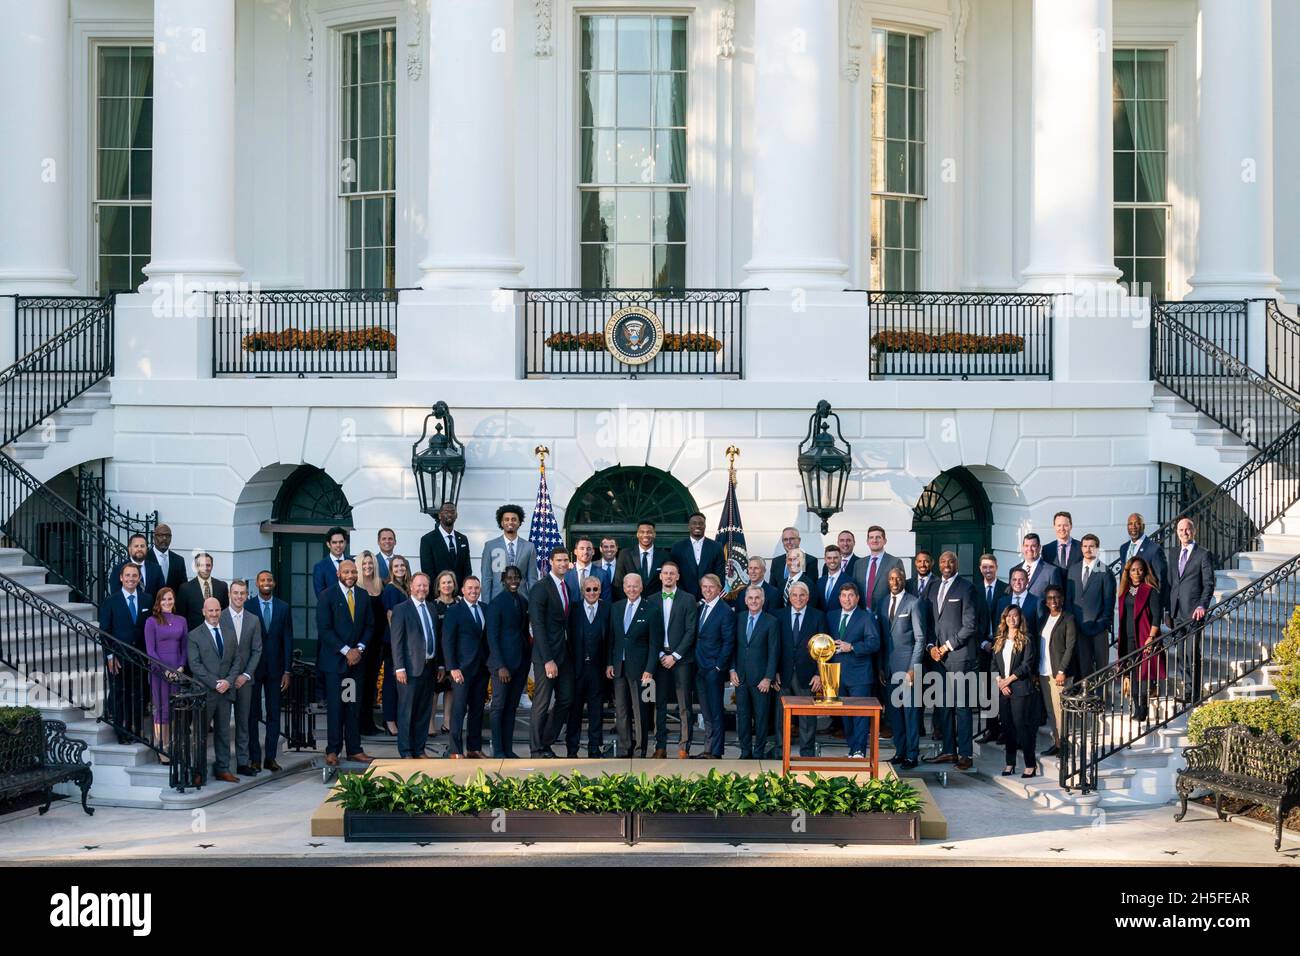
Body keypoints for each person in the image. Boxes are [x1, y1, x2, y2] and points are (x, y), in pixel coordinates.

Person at [315, 559, 375, 768]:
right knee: (336, 708)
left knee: (352, 706)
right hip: (335, 664)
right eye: (346, 571)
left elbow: (369, 625)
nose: (350, 575)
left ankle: (354, 749)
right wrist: (345, 650)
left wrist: (358, 649)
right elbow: (324, 629)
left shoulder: (362, 595)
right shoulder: (326, 596)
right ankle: (332, 750)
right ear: (338, 573)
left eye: (353, 571)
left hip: (356, 664)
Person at [922, 552, 978, 770]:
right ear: (939, 564)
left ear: (957, 564)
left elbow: (970, 625)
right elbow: (927, 622)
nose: (947, 564)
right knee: (943, 706)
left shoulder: (966, 588)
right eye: (943, 561)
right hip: (938, 658)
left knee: (962, 707)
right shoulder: (933, 587)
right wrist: (930, 647)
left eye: (951, 561)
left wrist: (946, 646)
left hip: (959, 656)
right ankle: (948, 751)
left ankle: (965, 754)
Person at [390, 572, 444, 759]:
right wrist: (399, 668)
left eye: (425, 586)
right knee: (407, 712)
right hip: (409, 670)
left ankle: (419, 749)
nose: (422, 589)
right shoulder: (401, 609)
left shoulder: (431, 608)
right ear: (411, 587)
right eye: (419, 585)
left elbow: (436, 638)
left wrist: (440, 666)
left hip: (429, 668)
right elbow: (396, 641)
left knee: (423, 711)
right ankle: (406, 751)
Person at [647, 561, 698, 758]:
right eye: (665, 573)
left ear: (677, 577)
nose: (668, 576)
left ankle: (684, 746)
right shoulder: (650, 600)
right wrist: (661, 654)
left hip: (682, 660)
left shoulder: (688, 599)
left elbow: (690, 630)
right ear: (660, 576)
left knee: (684, 704)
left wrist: (675, 656)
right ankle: (660, 746)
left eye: (672, 573)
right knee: (658, 703)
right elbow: (650, 631)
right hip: (659, 658)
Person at [529, 547, 575, 758]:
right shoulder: (541, 588)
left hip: (565, 654)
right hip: (546, 656)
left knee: (566, 698)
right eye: (559, 560)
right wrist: (548, 659)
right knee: (542, 701)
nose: (563, 564)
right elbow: (537, 626)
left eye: (566, 560)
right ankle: (536, 748)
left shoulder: (567, 587)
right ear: (550, 562)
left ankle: (546, 742)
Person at [826, 582, 881, 758]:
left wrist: (853, 647)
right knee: (845, 715)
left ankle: (859, 750)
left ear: (857, 598)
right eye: (844, 595)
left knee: (860, 715)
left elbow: (874, 643)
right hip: (836, 675)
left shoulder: (866, 617)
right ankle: (852, 748)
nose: (847, 599)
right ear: (839, 598)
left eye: (851, 595)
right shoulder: (832, 616)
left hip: (859, 675)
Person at [188, 597, 240, 784]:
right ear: (204, 612)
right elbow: (195, 665)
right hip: (205, 693)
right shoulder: (194, 635)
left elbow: (237, 661)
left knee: (223, 732)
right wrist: (215, 683)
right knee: (200, 734)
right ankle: (198, 771)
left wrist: (228, 681)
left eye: (217, 610)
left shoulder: (229, 633)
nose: (214, 614)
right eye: (210, 611)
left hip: (225, 693)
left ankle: (223, 769)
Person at [99, 563, 152, 743]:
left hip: (140, 657)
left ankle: (136, 729)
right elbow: (104, 631)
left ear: (139, 578)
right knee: (120, 694)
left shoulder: (147, 600)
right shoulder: (111, 601)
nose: (131, 579)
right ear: (121, 578)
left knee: (139, 695)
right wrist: (109, 656)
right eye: (127, 575)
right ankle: (121, 731)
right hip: (119, 658)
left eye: (134, 576)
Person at [877, 568, 925, 768]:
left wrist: (913, 669)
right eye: (891, 578)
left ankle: (912, 755)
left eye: (898, 578)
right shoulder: (883, 602)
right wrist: (880, 667)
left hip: (907, 670)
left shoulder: (914, 602)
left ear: (904, 580)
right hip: (888, 669)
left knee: (910, 714)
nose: (894, 581)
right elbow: (882, 638)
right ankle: (900, 751)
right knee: (895, 715)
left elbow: (920, 639)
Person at [1166, 516, 1215, 703]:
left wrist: (1202, 605)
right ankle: (1186, 690)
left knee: (1192, 652)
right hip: (1176, 612)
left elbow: (1209, 583)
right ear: (1177, 533)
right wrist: (1167, 611)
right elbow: (1170, 582)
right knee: (1180, 652)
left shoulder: (1203, 554)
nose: (1184, 533)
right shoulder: (1172, 553)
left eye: (1187, 529)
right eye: (1180, 530)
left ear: (1194, 531)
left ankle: (1194, 693)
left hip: (1194, 612)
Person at [607, 572, 656, 757]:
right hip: (619, 667)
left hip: (641, 670)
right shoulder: (616, 607)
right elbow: (612, 639)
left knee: (640, 709)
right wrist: (609, 663)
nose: (632, 589)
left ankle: (640, 748)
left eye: (636, 586)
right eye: (628, 586)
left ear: (641, 587)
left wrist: (649, 669)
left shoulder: (651, 609)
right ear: (624, 587)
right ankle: (625, 747)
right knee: (621, 709)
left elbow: (654, 643)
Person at [776, 580, 825, 759]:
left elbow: (823, 649)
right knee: (781, 716)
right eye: (795, 595)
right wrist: (774, 672)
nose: (798, 598)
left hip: (808, 674)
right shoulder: (778, 615)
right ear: (789, 597)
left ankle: (807, 752)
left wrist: (819, 674)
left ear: (808, 597)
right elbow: (774, 647)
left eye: (802, 595)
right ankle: (781, 751)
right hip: (783, 673)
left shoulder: (818, 616)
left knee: (807, 716)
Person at [442, 575, 490, 758]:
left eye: (476, 588)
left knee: (477, 710)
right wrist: (452, 667)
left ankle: (473, 748)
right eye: (470, 588)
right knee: (459, 709)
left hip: (481, 668)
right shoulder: (454, 611)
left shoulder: (485, 609)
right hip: (461, 669)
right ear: (462, 590)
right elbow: (447, 641)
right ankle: (455, 750)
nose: (473, 591)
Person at [486, 566, 531, 758]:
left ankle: (508, 748)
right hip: (502, 665)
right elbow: (492, 637)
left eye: (517, 577)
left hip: (520, 663)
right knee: (499, 706)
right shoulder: (497, 603)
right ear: (503, 580)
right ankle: (498, 750)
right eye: (510, 578)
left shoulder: (522, 600)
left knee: (512, 707)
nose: (514, 581)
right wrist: (500, 665)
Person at [250, 570, 292, 772]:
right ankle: (254, 758)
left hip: (276, 670)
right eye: (262, 580)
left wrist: (287, 670)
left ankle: (270, 758)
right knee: (253, 714)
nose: (266, 583)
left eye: (269, 579)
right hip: (253, 669)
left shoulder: (283, 607)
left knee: (274, 714)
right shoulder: (248, 606)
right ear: (257, 583)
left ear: (274, 583)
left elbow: (288, 639)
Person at [991, 605, 1040, 778]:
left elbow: (1026, 665)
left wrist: (1008, 680)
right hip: (1003, 690)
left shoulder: (1026, 639)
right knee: (1007, 727)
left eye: (1015, 616)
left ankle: (1030, 764)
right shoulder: (999, 640)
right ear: (1004, 619)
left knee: (1021, 726)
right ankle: (1010, 763)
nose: (1012, 619)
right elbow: (994, 665)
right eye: (1008, 616)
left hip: (1020, 688)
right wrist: (1000, 683)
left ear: (1020, 618)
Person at [731, 585, 779, 760]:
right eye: (750, 598)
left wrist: (768, 677)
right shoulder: (739, 619)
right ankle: (745, 751)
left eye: (757, 598)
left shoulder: (771, 621)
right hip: (741, 678)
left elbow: (774, 652)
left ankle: (758, 751)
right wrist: (731, 670)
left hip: (761, 680)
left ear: (763, 600)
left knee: (761, 718)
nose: (753, 601)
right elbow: (733, 647)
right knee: (742, 717)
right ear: (745, 600)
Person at [221, 579, 263, 776]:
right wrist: (228, 678)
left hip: (245, 680)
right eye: (235, 593)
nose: (238, 596)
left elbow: (257, 650)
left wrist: (245, 675)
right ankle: (221, 764)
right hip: (224, 680)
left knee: (243, 722)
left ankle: (243, 762)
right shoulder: (219, 617)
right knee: (222, 724)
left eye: (242, 593)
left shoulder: (253, 619)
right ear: (230, 594)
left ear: (247, 595)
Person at [693, 573, 737, 759]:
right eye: (704, 587)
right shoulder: (700, 607)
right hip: (699, 667)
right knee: (706, 711)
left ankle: (716, 751)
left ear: (719, 589)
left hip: (713, 669)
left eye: (711, 587)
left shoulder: (725, 611)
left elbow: (729, 642)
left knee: (716, 711)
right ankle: (708, 748)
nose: (708, 590)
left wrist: (719, 666)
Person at [566, 573, 610, 757]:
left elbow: (612, 639)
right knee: (574, 711)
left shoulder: (608, 609)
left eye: (595, 589)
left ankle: (594, 747)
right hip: (577, 669)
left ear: (600, 591)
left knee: (596, 711)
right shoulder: (573, 610)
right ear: (582, 591)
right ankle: (572, 748)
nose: (592, 593)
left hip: (598, 669)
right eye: (588, 589)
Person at [1117, 556, 1165, 720]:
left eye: (1140, 569)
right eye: (1133, 570)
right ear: (1128, 573)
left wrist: (1151, 637)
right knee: (1132, 674)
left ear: (1144, 571)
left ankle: (1142, 709)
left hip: (1145, 637)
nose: (1137, 572)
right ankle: (1136, 707)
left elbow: (1157, 617)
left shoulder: (1150, 590)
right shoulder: (1125, 591)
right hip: (1128, 638)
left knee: (1143, 674)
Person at [143, 586, 186, 760]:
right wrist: (165, 670)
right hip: (159, 670)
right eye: (164, 599)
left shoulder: (181, 620)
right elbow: (150, 650)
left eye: (170, 599)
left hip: (177, 669)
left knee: (173, 708)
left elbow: (184, 647)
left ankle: (171, 743)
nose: (167, 602)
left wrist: (181, 667)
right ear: (158, 602)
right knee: (161, 708)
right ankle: (162, 747)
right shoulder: (151, 621)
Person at [1037, 584, 1078, 757]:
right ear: (1046, 602)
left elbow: (1070, 646)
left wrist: (1062, 670)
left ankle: (1066, 746)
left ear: (1061, 599)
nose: (1053, 601)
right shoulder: (1044, 619)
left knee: (1062, 712)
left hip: (1059, 673)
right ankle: (1057, 743)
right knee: (1051, 711)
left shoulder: (1068, 618)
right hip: (1044, 672)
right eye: (1050, 598)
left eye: (1056, 597)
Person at [1067, 534, 1115, 677]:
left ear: (1097, 549)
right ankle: (1086, 697)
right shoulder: (1073, 570)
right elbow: (1069, 599)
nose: (1088, 549)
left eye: (1091, 546)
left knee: (1101, 668)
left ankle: (1102, 698)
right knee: (1084, 666)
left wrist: (1102, 623)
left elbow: (1109, 602)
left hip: (1098, 628)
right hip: (1079, 628)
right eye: (1085, 546)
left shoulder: (1105, 571)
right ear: (1081, 548)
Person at [973, 553, 1007, 743]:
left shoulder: (1005, 588)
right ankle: (991, 729)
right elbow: (972, 620)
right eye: (984, 567)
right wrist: (983, 643)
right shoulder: (974, 590)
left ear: (996, 567)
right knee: (986, 691)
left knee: (1002, 689)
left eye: (991, 567)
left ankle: (1004, 729)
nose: (988, 570)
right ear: (980, 569)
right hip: (982, 648)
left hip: (1003, 647)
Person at [353, 551, 387, 736]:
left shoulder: (379, 585)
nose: (368, 566)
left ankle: (368, 723)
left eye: (370, 563)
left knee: (371, 683)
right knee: (359, 683)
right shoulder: (356, 587)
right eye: (364, 563)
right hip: (360, 643)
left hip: (377, 642)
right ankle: (356, 724)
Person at [481, 504, 538, 604]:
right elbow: (486, 578)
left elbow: (532, 579)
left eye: (514, 519)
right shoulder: (490, 546)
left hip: (522, 601)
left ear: (519, 522)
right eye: (506, 519)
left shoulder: (529, 547)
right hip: (497, 600)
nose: (510, 522)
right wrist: (486, 605)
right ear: (501, 523)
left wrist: (533, 605)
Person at [429, 570, 461, 737]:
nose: (447, 585)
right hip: (437, 654)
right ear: (438, 586)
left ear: (454, 585)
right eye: (444, 583)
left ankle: (447, 722)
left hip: (456, 654)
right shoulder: (433, 606)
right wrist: (441, 662)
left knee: (450, 689)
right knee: (435, 690)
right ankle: (431, 723)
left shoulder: (459, 604)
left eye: (450, 582)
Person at [670, 511, 725, 598]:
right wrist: (685, 596)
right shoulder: (677, 547)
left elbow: (720, 574)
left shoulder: (716, 547)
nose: (698, 526)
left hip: (709, 597)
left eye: (701, 523)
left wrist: (710, 595)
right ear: (689, 526)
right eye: (694, 523)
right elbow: (674, 574)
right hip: (684, 598)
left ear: (705, 526)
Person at [419, 501, 472, 583]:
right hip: (438, 592)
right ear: (440, 515)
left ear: (456, 515)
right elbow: (427, 570)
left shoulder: (463, 539)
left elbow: (467, 569)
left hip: (460, 593)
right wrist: (439, 592)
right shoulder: (427, 540)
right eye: (446, 512)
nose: (450, 514)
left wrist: (463, 592)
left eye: (452, 512)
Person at [855, 525, 904, 611]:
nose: (874, 540)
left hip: (885, 613)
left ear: (885, 541)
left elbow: (900, 591)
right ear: (867, 541)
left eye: (878, 537)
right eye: (871, 537)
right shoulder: (858, 564)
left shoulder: (895, 562)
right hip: (862, 614)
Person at [1119, 512, 1168, 592]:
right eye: (1130, 524)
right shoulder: (1123, 548)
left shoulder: (1154, 549)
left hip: (1146, 600)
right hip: (1128, 599)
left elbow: (1162, 579)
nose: (1133, 527)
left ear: (1143, 526)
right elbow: (1123, 575)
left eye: (1137, 523)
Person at [1010, 532, 1063, 607]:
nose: (1029, 549)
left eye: (1033, 546)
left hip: (1040, 617)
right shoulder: (1013, 570)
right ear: (1022, 547)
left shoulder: (1051, 571)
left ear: (1039, 547)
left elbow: (1056, 600)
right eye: (1026, 546)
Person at [177, 553, 228, 630]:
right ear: (196, 567)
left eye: (208, 565)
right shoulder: (185, 588)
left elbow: (225, 613)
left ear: (212, 566)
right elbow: (181, 617)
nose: (205, 568)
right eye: (202, 565)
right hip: (194, 635)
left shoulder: (222, 586)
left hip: (216, 632)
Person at [615, 521, 666, 596]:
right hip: (632, 603)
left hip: (656, 604)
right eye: (642, 532)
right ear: (637, 534)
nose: (645, 535)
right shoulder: (625, 554)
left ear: (654, 534)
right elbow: (619, 583)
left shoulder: (664, 555)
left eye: (649, 532)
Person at [769, 526, 818, 591]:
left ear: (799, 540)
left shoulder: (810, 561)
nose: (788, 542)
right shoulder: (776, 561)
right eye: (785, 539)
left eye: (791, 539)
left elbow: (810, 588)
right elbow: (772, 587)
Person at [145, 523, 188, 594]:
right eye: (161, 535)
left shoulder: (179, 561)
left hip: (172, 603)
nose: (164, 538)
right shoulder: (145, 558)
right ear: (154, 537)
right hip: (150, 604)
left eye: (168, 536)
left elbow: (183, 588)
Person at [311, 527, 351, 596]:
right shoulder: (320, 567)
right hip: (330, 606)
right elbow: (320, 595)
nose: (338, 545)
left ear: (345, 543)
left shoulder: (353, 563)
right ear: (328, 544)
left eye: (341, 542)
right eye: (334, 542)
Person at [815, 545, 853, 613]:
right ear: (825, 559)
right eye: (829, 558)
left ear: (841, 558)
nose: (832, 561)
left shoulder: (849, 581)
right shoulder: (820, 582)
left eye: (835, 558)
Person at [597, 537, 622, 601]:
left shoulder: (624, 566)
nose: (609, 549)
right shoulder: (592, 566)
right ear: (600, 549)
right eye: (606, 547)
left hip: (619, 606)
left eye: (612, 546)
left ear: (616, 548)